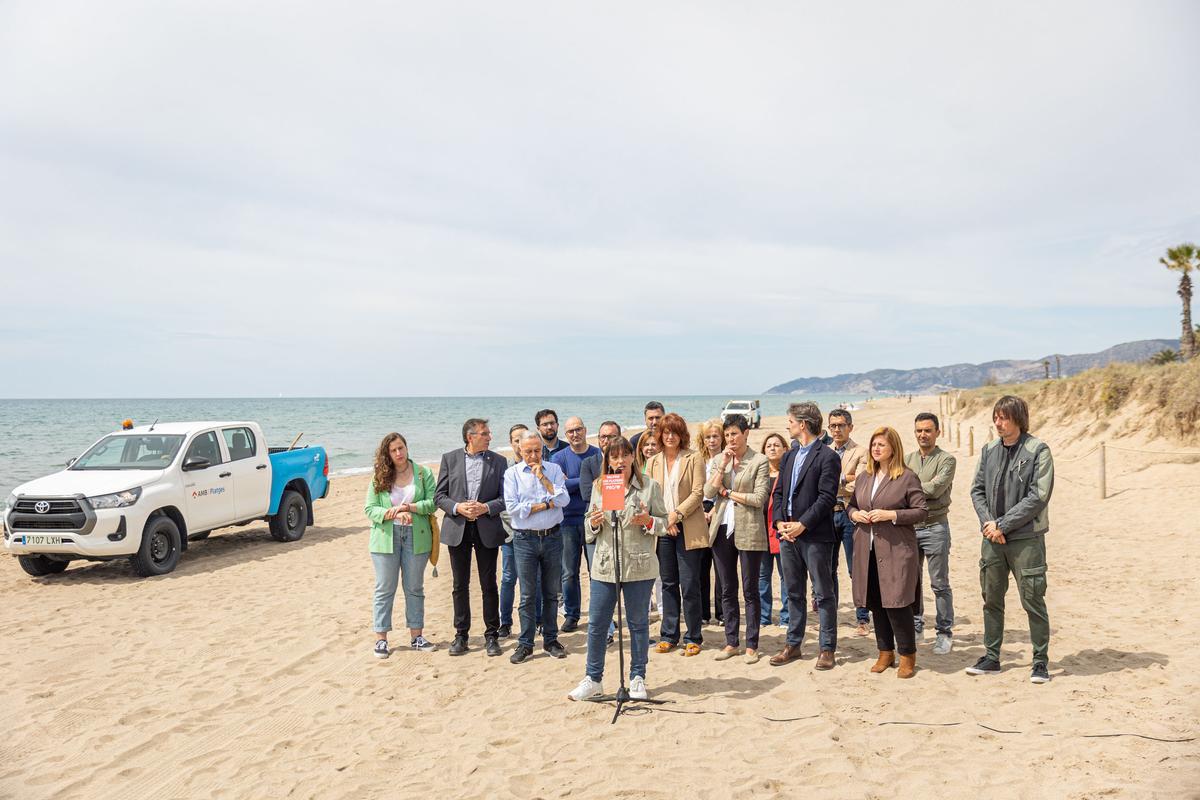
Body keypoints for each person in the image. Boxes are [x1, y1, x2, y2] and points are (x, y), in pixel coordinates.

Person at [568, 437, 667, 701]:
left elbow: (665, 523)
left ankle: (637, 677)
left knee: (638, 624)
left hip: (638, 565)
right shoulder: (601, 487)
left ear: (633, 457)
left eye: (624, 455)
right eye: (614, 457)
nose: (620, 461)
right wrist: (595, 522)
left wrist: (648, 521)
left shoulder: (650, 487)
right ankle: (593, 679)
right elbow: (589, 529)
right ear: (607, 461)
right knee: (598, 623)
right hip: (605, 565)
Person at [966, 395, 1054, 684]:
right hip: (991, 538)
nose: (998, 422)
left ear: (1018, 418)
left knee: (1032, 600)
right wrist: (989, 525)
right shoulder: (989, 450)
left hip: (1026, 539)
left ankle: (1040, 661)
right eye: (996, 417)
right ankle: (992, 657)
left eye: (1003, 417)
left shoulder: (1037, 450)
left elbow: (1038, 497)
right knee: (991, 599)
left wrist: (1003, 524)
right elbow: (977, 490)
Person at [849, 426, 927, 678]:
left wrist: (891, 514)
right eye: (873, 444)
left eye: (881, 444)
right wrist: (854, 514)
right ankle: (885, 652)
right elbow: (850, 505)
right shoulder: (864, 477)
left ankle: (907, 655)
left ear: (894, 447)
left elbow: (921, 511)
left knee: (897, 602)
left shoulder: (906, 477)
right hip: (866, 548)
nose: (876, 448)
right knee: (875, 602)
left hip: (896, 548)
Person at [769, 402, 842, 670]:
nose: (786, 425)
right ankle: (793, 644)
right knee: (793, 591)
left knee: (823, 593)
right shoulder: (788, 456)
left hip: (815, 535)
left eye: (790, 420)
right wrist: (779, 522)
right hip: (787, 534)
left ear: (803, 424)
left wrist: (803, 524)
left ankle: (827, 648)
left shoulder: (828, 456)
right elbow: (778, 493)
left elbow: (826, 498)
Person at [435, 418, 510, 657]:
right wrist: (458, 507)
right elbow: (440, 496)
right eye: (485, 433)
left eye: (488, 433)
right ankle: (461, 635)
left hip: (486, 527)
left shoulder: (499, 461)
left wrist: (485, 508)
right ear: (470, 437)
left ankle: (491, 635)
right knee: (460, 585)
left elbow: (505, 498)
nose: (489, 437)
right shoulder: (450, 458)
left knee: (489, 584)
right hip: (458, 528)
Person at [364, 433, 438, 657]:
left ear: (407, 448)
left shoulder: (423, 474)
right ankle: (381, 640)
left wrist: (409, 509)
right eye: (393, 450)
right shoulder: (379, 477)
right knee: (385, 588)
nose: (398, 453)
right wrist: (391, 513)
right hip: (386, 538)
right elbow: (370, 509)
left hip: (417, 536)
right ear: (387, 453)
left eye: (401, 448)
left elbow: (433, 503)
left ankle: (417, 636)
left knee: (414, 587)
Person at [704, 416, 771, 663]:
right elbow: (709, 493)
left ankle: (752, 644)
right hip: (721, 527)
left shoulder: (759, 460)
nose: (731, 439)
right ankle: (731, 641)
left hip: (749, 528)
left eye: (734, 434)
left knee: (750, 588)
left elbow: (759, 498)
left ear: (746, 434)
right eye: (727, 435)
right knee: (727, 589)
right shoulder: (719, 460)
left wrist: (729, 492)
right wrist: (722, 466)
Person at [503, 430, 571, 664]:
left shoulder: (552, 470)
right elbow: (514, 508)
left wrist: (543, 479)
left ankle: (551, 640)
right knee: (527, 595)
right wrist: (546, 504)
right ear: (519, 451)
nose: (533, 456)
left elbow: (564, 500)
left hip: (552, 537)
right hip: (525, 539)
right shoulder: (512, 474)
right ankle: (526, 643)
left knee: (551, 593)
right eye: (528, 451)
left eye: (537, 450)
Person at [644, 413, 707, 656]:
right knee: (668, 583)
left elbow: (698, 492)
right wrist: (665, 520)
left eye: (675, 432)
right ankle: (669, 634)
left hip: (688, 527)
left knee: (690, 583)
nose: (670, 436)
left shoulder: (693, 457)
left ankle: (693, 636)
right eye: (666, 432)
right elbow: (650, 496)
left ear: (682, 435)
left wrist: (676, 515)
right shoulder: (653, 461)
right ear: (660, 435)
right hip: (663, 529)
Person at [905, 412, 957, 655]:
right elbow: (897, 488)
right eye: (918, 430)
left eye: (927, 430)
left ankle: (944, 632)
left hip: (936, 526)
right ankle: (916, 626)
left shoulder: (947, 460)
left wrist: (908, 488)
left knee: (939, 583)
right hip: (910, 529)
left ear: (938, 432)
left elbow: (936, 489)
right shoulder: (907, 459)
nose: (922, 435)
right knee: (912, 582)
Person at [551, 417, 602, 633]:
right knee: (569, 572)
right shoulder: (558, 457)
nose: (575, 434)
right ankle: (572, 614)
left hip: (595, 519)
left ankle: (601, 614)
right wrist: (586, 480)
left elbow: (602, 483)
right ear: (566, 434)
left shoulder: (597, 454)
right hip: (567, 521)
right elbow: (558, 488)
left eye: (578, 429)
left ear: (585, 430)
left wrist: (572, 481)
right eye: (570, 431)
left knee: (596, 571)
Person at [828, 409, 871, 636]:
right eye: (833, 425)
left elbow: (861, 483)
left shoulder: (861, 451)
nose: (837, 429)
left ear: (850, 427)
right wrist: (847, 477)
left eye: (841, 425)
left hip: (850, 513)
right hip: (827, 513)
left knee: (856, 568)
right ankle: (830, 616)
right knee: (828, 569)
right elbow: (821, 485)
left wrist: (840, 479)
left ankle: (863, 618)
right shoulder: (825, 451)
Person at [499, 424, 540, 639]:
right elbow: (506, 504)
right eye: (515, 440)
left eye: (522, 439)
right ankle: (505, 621)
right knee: (508, 577)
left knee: (537, 579)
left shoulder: (539, 465)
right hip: (510, 533)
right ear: (512, 443)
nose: (518, 443)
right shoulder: (505, 468)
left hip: (534, 533)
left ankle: (539, 620)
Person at [695, 418, 726, 625]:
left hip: (721, 509)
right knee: (701, 565)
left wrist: (714, 510)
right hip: (699, 510)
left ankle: (722, 612)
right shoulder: (698, 459)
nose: (712, 440)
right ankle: (703, 612)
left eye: (715, 436)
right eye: (708, 437)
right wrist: (701, 511)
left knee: (721, 564)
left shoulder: (727, 459)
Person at [757, 433, 790, 628]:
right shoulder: (759, 473)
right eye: (768, 445)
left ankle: (786, 617)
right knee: (762, 576)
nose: (772, 448)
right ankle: (764, 617)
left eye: (777, 445)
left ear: (785, 449)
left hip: (781, 529)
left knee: (785, 575)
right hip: (760, 530)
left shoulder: (788, 472)